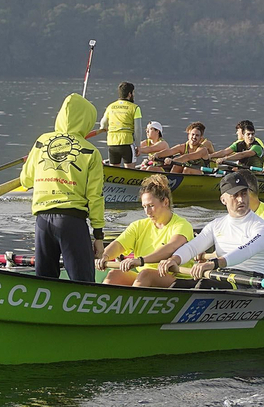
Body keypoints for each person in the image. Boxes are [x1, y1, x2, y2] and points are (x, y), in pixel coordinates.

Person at [20, 93, 105, 283]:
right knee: (83, 282)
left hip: (42, 222)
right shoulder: (91, 152)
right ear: (87, 121)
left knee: (45, 284)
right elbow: (95, 197)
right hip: (71, 222)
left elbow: (25, 180)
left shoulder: (41, 142)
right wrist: (98, 235)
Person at [162, 170, 264, 283]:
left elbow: (246, 251)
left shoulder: (262, 227)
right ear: (223, 200)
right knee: (178, 284)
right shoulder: (216, 225)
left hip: (249, 280)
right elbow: (192, 247)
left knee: (203, 285)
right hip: (221, 276)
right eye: (235, 195)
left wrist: (213, 263)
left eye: (244, 194)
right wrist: (174, 259)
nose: (241, 199)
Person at [99, 174, 193, 287]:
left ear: (165, 202)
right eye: (144, 206)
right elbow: (119, 245)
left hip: (177, 277)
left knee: (145, 274)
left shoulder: (182, 225)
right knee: (114, 274)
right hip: (144, 277)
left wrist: (141, 261)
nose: (147, 212)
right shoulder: (138, 226)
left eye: (151, 206)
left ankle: (132, 303)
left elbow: (171, 247)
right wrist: (104, 256)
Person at [100, 82, 143, 167]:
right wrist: (138, 146)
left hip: (112, 143)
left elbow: (103, 123)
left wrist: (104, 128)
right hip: (126, 143)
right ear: (130, 94)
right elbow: (137, 129)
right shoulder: (135, 108)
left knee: (115, 170)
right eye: (133, 93)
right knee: (130, 171)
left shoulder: (110, 106)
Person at [151, 122, 215, 172]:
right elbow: (170, 151)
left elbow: (187, 157)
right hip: (187, 171)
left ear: (201, 138)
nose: (194, 137)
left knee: (187, 169)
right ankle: (171, 180)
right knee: (177, 166)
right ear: (188, 135)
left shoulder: (202, 150)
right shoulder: (183, 147)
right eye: (192, 134)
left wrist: (173, 160)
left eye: (197, 135)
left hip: (202, 173)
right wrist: (157, 154)